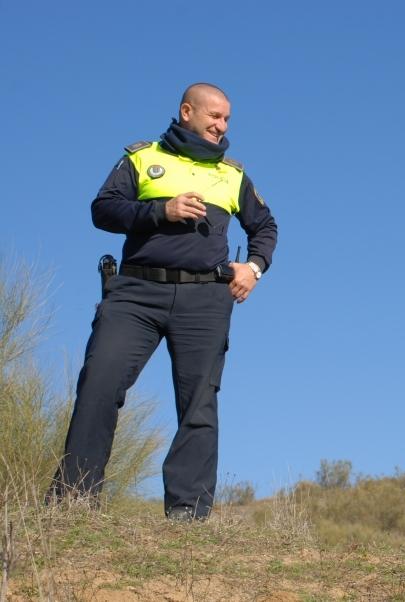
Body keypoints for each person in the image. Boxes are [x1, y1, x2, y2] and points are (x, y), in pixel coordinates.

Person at [49, 83, 277, 520]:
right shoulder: (141, 158)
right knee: (98, 383)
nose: (221, 126)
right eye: (214, 116)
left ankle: (187, 517)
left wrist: (254, 267)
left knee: (199, 403)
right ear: (186, 111)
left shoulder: (233, 174)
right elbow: (103, 209)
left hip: (206, 300)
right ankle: (73, 505)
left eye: (227, 119)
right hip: (135, 294)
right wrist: (161, 211)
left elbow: (265, 226)